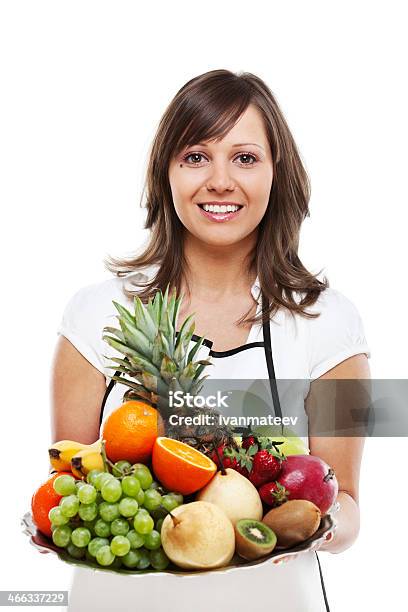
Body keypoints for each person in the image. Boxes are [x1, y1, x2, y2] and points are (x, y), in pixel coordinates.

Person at [51, 69, 371, 612]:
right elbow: (67, 481)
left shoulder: (334, 324)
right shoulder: (94, 313)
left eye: (245, 158)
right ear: (166, 174)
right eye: (195, 156)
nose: (220, 181)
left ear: (277, 173)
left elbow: (352, 508)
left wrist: (317, 524)